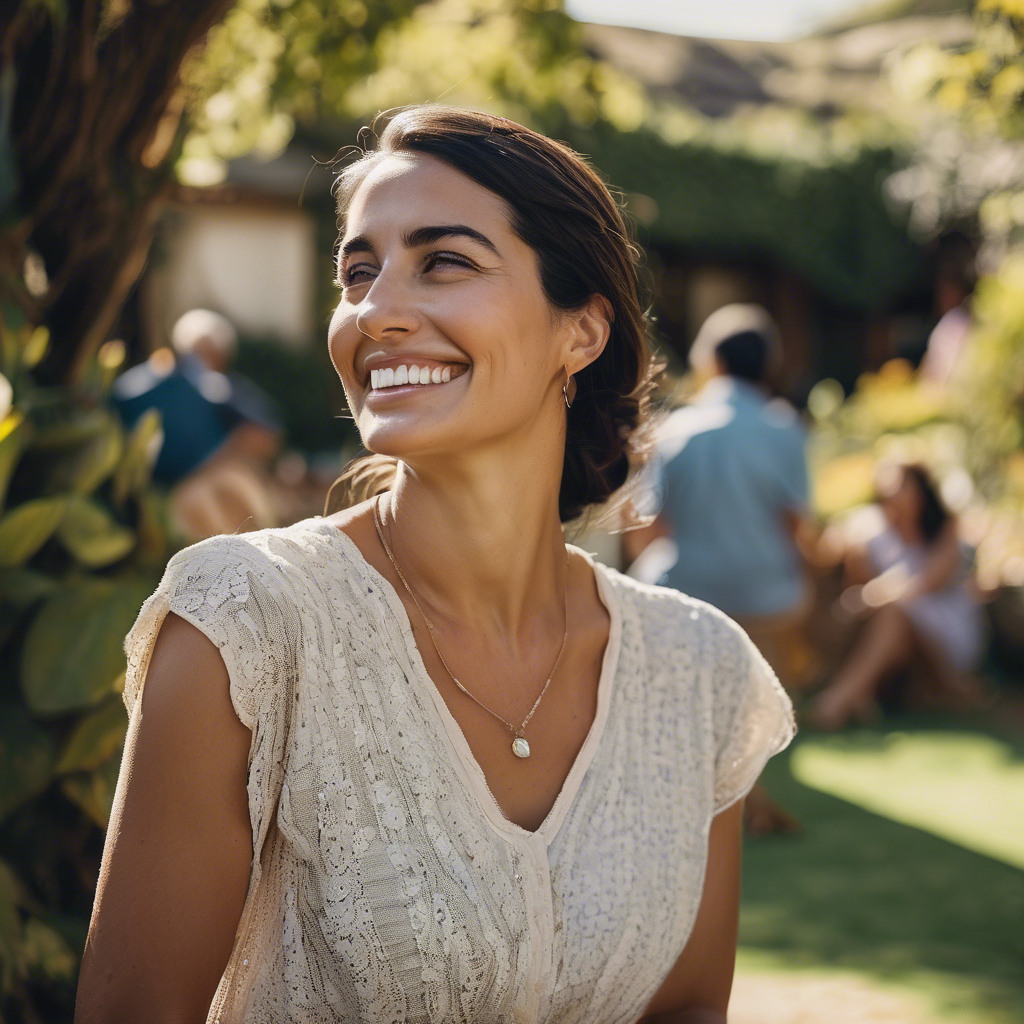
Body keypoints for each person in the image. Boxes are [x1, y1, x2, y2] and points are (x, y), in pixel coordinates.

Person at [76, 107, 794, 1024]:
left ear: (581, 331)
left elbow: (688, 1010)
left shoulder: (699, 672)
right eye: (358, 271)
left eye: (444, 261)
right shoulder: (242, 625)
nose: (377, 312)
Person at [624, 304, 812, 835]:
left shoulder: (674, 429)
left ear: (711, 360)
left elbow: (649, 528)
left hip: (690, 596)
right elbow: (797, 529)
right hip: (771, 598)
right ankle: (751, 786)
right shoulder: (785, 429)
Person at [808, 462, 986, 731]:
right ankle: (858, 696)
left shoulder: (945, 528)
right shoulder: (876, 533)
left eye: (900, 487)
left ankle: (835, 702)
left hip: (947, 629)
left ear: (921, 490)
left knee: (895, 613)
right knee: (894, 625)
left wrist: (874, 593)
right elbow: (846, 575)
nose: (891, 495)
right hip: (899, 631)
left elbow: (927, 584)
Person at [110, 309, 283, 536]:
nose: (204, 360)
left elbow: (265, 436)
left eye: (210, 354)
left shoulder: (223, 388)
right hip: (172, 492)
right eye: (198, 352)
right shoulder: (178, 381)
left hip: (194, 485)